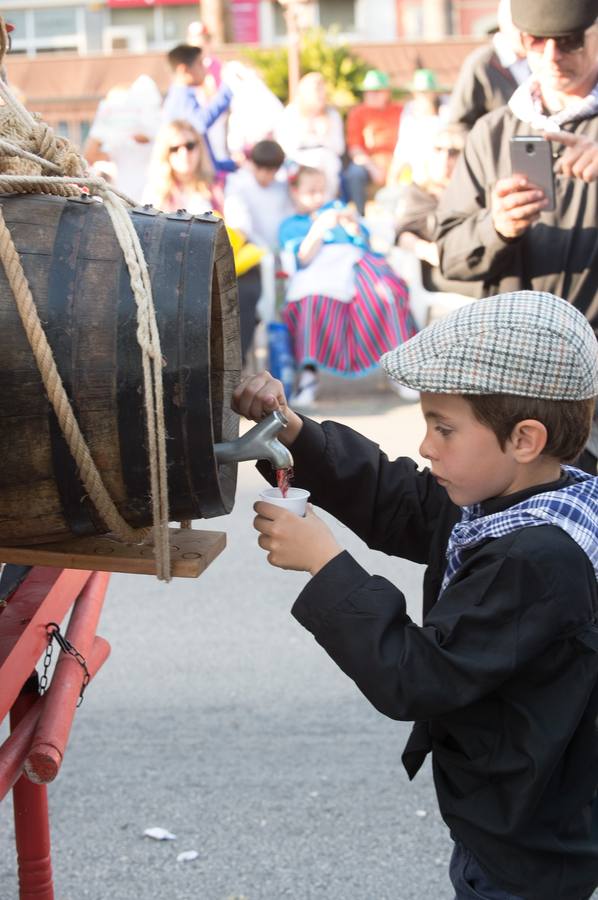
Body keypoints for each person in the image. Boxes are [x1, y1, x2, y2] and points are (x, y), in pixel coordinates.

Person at [233, 290, 598, 900]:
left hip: (529, 843)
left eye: (443, 428)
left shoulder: (536, 558)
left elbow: (420, 676)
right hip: (517, 810)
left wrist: (325, 565)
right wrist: (294, 434)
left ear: (525, 439)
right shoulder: (520, 497)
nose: (426, 447)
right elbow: (397, 498)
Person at [435, 0, 598, 474]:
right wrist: (497, 228)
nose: (551, 55)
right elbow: (450, 256)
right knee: (525, 542)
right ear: (518, 41)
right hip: (514, 389)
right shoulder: (490, 134)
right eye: (535, 41)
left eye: (568, 40)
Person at [278, 164, 416, 407]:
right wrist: (319, 228)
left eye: (323, 190)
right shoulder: (291, 224)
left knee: (385, 293)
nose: (319, 197)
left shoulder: (339, 212)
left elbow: (365, 243)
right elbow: (302, 258)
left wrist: (352, 225)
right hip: (320, 270)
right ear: (295, 193)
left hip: (357, 264)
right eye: (311, 191)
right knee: (312, 301)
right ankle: (310, 373)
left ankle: (397, 368)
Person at [143, 119, 262, 362]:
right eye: (175, 148)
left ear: (200, 147)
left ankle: (232, 368)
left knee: (244, 289)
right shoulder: (155, 194)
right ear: (165, 154)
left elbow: (242, 227)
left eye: (190, 145)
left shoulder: (223, 184)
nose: (184, 153)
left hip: (226, 266)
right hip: (177, 273)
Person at [447, 0, 530, 130]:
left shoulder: (540, 58)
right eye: (517, 23)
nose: (523, 31)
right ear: (503, 22)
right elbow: (459, 123)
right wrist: (487, 146)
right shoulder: (481, 64)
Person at [162, 43, 236, 177]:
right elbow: (199, 124)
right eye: (200, 64)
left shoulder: (184, 96)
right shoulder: (181, 99)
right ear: (184, 70)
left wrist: (231, 165)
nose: (205, 70)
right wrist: (227, 90)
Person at [275, 72, 345, 199]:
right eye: (315, 91)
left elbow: (339, 148)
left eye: (322, 90)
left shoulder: (332, 115)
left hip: (326, 159)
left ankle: (325, 203)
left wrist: (323, 135)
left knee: (328, 163)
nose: (320, 95)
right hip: (297, 159)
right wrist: (306, 132)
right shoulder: (290, 113)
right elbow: (284, 146)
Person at [343, 69, 403, 215]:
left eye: (376, 91)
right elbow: (354, 148)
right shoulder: (357, 113)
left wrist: (396, 165)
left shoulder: (400, 110)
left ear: (387, 92)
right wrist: (373, 168)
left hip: (398, 160)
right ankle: (360, 215)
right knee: (354, 173)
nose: (371, 95)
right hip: (370, 163)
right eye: (368, 91)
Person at [223, 139, 294, 251]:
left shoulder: (283, 185)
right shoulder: (237, 183)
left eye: (269, 170)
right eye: (259, 168)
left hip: (282, 250)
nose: (263, 174)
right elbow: (239, 222)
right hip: (251, 252)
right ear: (252, 163)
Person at [386, 68, 449, 187]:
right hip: (418, 172)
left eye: (427, 91)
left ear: (435, 92)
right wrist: (392, 178)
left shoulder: (446, 110)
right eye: (420, 92)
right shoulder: (409, 110)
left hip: (442, 168)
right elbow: (403, 147)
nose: (423, 95)